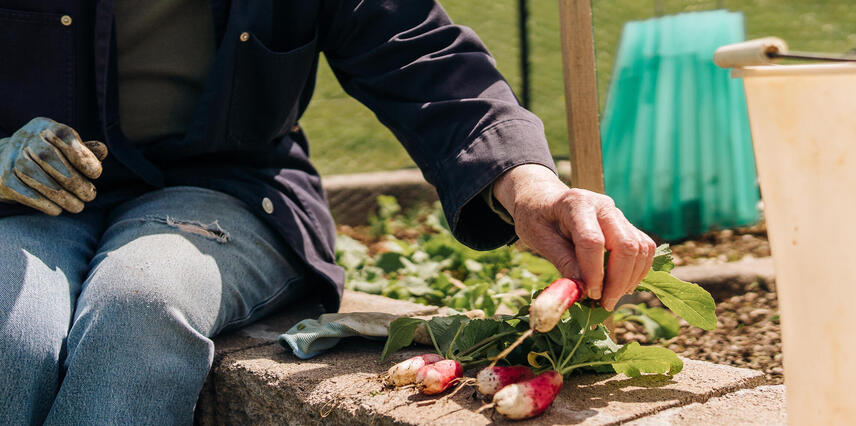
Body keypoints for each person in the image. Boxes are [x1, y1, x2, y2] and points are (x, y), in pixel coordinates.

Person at [0, 1, 655, 424]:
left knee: (141, 302)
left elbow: (418, 52)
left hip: (225, 193)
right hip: (24, 196)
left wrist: (531, 188)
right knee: (11, 334)